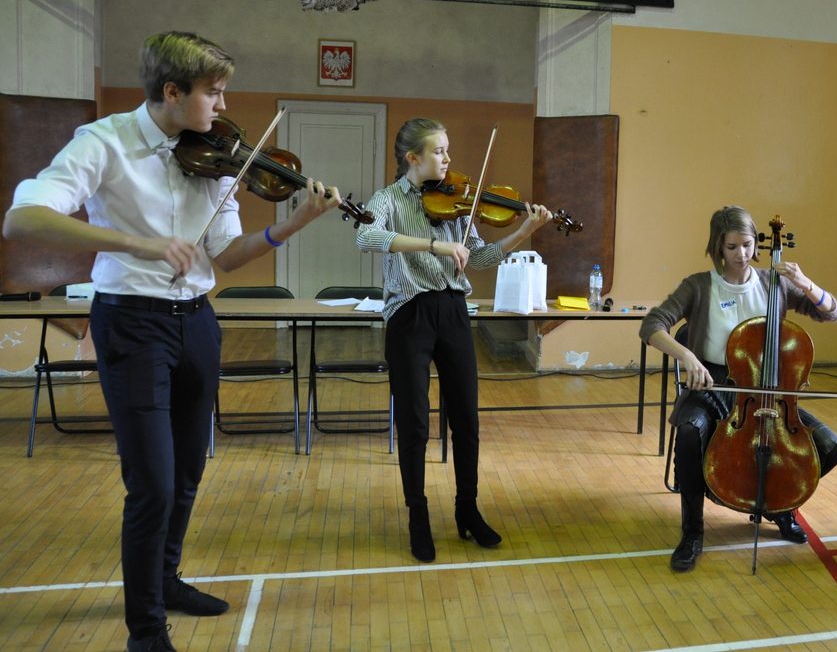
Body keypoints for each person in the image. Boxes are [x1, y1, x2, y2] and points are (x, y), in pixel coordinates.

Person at [3, 32, 344, 652]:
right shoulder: (103, 142)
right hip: (131, 323)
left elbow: (226, 255)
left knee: (187, 470)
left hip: (197, 323)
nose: (223, 105)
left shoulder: (214, 155)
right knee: (153, 485)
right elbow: (22, 219)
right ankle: (145, 630)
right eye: (214, 93)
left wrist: (291, 225)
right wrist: (137, 243)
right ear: (172, 91)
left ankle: (166, 580)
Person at [356, 117, 553, 563]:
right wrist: (434, 245)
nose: (447, 159)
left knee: (466, 418)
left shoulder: (457, 200)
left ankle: (468, 510)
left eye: (447, 150)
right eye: (439, 151)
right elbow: (366, 236)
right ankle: (418, 516)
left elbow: (477, 257)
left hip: (454, 312)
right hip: (409, 315)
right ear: (413, 158)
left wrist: (522, 233)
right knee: (414, 422)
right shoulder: (387, 199)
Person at [639, 206, 837, 572]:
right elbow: (652, 325)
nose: (741, 254)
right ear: (718, 246)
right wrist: (688, 356)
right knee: (688, 432)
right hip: (712, 380)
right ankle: (692, 531)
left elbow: (832, 313)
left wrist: (805, 283)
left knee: (830, 447)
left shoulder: (773, 283)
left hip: (767, 388)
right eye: (732, 247)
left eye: (748, 245)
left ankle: (779, 506)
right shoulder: (699, 285)